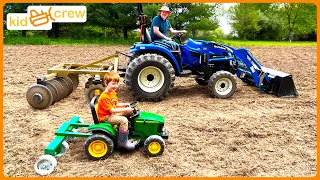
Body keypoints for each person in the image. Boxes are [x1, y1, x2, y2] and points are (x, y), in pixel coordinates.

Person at [96, 71, 137, 150]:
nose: (115, 86)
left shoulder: (112, 93)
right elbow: (112, 111)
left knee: (130, 111)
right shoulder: (104, 97)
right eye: (113, 84)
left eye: (117, 83)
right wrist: (125, 109)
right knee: (124, 120)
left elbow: (115, 104)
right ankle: (123, 142)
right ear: (106, 83)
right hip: (106, 117)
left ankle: (128, 130)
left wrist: (125, 105)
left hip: (110, 114)